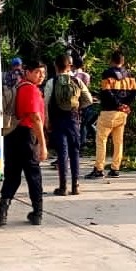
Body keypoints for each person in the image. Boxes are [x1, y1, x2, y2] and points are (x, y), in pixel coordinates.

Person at [0, 58, 48, 226]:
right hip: (27, 136)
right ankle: (37, 213)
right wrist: (43, 145)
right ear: (27, 72)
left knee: (12, 176)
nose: (41, 76)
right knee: (33, 175)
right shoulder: (30, 89)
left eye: (43, 73)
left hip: (12, 135)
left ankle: (2, 213)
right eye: (37, 72)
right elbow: (35, 118)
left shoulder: (19, 86)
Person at [44, 53, 93, 196]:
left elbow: (45, 103)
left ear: (55, 66)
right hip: (73, 119)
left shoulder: (52, 82)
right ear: (70, 66)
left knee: (62, 153)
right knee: (74, 152)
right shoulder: (77, 81)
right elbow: (89, 100)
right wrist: (77, 107)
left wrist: (47, 121)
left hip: (57, 120)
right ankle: (75, 186)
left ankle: (63, 187)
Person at [86, 50, 136, 178]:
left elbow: (107, 93)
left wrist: (118, 104)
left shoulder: (107, 73)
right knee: (118, 141)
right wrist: (125, 105)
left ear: (111, 60)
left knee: (101, 140)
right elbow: (135, 93)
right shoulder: (129, 74)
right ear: (123, 61)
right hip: (122, 113)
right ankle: (115, 168)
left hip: (108, 112)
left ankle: (99, 169)